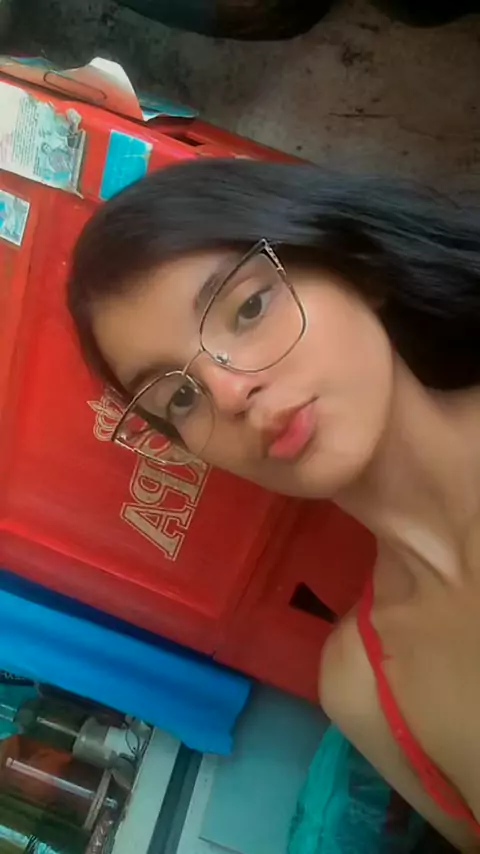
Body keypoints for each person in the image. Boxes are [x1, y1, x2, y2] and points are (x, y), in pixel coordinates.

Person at [68, 158, 480, 852]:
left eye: (248, 308)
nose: (230, 394)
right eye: (180, 397)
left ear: (356, 267)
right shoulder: (363, 686)